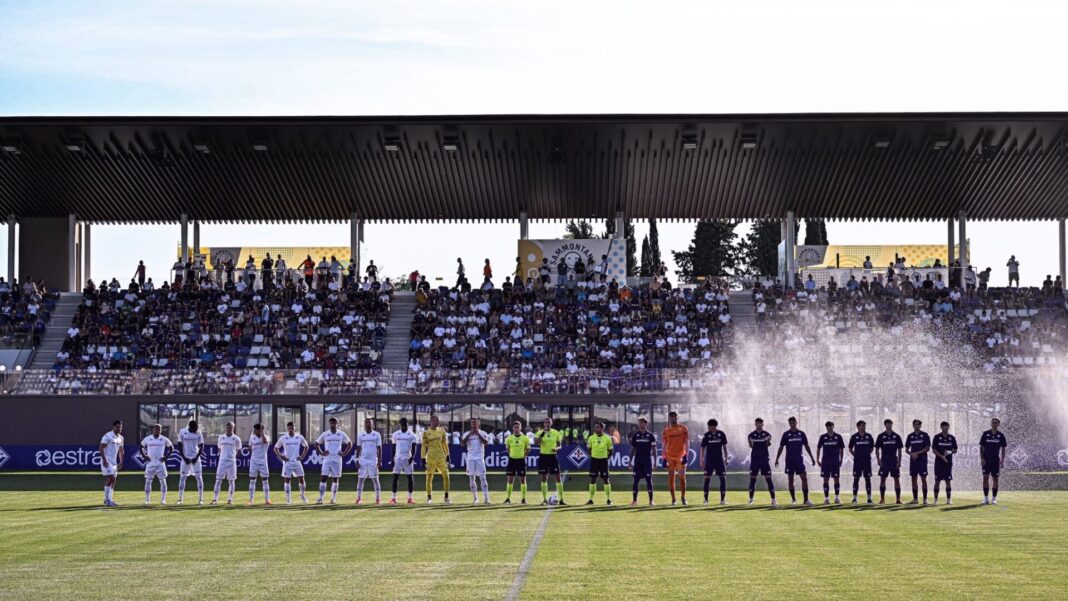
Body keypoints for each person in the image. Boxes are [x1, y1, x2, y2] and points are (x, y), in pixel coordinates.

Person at [775, 416, 816, 506]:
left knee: (804, 478)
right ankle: (793, 499)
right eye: (790, 423)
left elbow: (806, 446)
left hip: (799, 460)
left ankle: (806, 500)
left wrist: (812, 458)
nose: (792, 425)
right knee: (790, 480)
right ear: (789, 424)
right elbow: (781, 447)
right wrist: (777, 459)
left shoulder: (801, 434)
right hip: (789, 460)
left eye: (794, 423)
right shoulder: (786, 434)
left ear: (797, 423)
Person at [314, 417, 352, 505]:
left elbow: (349, 443)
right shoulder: (325, 434)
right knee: (323, 478)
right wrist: (321, 453)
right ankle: (320, 498)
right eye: (331, 423)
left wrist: (344, 453)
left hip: (337, 460)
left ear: (337, 424)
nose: (333, 424)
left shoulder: (341, 434)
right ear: (329, 423)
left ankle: (333, 499)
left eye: (334, 423)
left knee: (335, 479)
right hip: (327, 460)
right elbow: (316, 443)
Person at [274, 422, 309, 504]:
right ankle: (288, 499)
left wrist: (302, 456)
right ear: (287, 428)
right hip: (287, 462)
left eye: (292, 428)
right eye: (289, 428)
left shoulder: (299, 437)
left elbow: (306, 446)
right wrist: (281, 456)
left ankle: (302, 495)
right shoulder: (283, 438)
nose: (291, 429)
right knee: (287, 480)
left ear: (294, 428)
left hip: (297, 461)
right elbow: (275, 448)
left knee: (302, 478)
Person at [534, 417, 566, 506]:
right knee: (544, 478)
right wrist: (543, 432)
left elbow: (560, 446)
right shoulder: (539, 432)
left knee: (558, 478)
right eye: (546, 422)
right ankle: (544, 499)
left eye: (549, 422)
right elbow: (536, 442)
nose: (547, 424)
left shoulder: (556, 433)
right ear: (544, 424)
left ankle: (562, 499)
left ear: (551, 423)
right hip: (543, 456)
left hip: (553, 457)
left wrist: (556, 449)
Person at [139, 423, 173, 505]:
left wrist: (166, 457)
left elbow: (171, 447)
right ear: (153, 430)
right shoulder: (148, 439)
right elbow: (141, 447)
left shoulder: (164, 439)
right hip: (150, 464)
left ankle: (163, 500)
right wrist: (145, 456)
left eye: (159, 429)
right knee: (148, 481)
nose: (158, 430)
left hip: (160, 464)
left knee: (163, 481)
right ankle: (147, 500)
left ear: (161, 430)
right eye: (156, 429)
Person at [661, 411, 689, 506]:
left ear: (677, 417)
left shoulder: (683, 428)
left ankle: (683, 497)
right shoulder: (666, 430)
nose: (673, 418)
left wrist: (686, 455)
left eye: (675, 416)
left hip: (681, 456)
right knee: (671, 478)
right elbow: (664, 444)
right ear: (669, 418)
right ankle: (673, 499)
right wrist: (664, 457)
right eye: (671, 416)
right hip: (670, 457)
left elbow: (687, 442)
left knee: (682, 477)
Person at [422, 415, 451, 504]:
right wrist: (423, 457)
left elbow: (444, 444)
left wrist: (448, 454)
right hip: (430, 457)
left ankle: (446, 497)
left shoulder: (442, 431)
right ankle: (429, 498)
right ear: (431, 421)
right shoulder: (426, 432)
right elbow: (424, 446)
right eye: (436, 421)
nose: (437, 422)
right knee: (429, 478)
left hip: (441, 457)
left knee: (446, 476)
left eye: (438, 421)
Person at [747, 418, 776, 506]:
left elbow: (768, 444)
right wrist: (750, 442)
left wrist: (768, 441)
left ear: (763, 424)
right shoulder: (751, 435)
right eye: (757, 423)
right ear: (755, 424)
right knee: (752, 479)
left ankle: (773, 500)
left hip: (764, 459)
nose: (759, 425)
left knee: (768, 479)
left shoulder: (767, 434)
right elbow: (751, 446)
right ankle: (751, 499)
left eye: (760, 423)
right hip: (755, 459)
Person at [462, 417, 492, 504]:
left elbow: (486, 443)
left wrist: (478, 433)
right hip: (470, 458)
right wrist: (469, 435)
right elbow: (462, 443)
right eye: (472, 423)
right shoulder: (467, 434)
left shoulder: (483, 433)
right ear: (471, 424)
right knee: (471, 478)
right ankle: (475, 498)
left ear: (478, 424)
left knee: (483, 478)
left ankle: (486, 498)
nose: (474, 424)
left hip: (479, 458)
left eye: (475, 423)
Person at [699, 418, 729, 505]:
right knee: (707, 479)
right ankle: (706, 500)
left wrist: (726, 459)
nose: (709, 428)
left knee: (722, 478)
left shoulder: (721, 434)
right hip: (709, 461)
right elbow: (702, 448)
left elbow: (724, 447)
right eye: (708, 426)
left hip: (719, 460)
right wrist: (701, 460)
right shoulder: (706, 435)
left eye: (711, 426)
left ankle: (722, 500)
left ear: (715, 426)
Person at [211, 422, 241, 505]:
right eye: (227, 427)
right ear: (226, 428)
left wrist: (233, 457)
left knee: (231, 481)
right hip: (222, 461)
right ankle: (215, 499)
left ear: (233, 428)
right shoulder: (221, 437)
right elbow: (219, 448)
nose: (229, 429)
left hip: (231, 461)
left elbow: (238, 449)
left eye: (230, 427)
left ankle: (230, 499)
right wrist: (222, 456)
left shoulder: (236, 439)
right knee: (218, 480)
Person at [176, 419, 205, 505]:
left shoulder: (199, 433)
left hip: (196, 459)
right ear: (190, 427)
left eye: (197, 427)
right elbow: (179, 445)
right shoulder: (182, 431)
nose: (196, 429)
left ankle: (200, 499)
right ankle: (180, 499)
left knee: (199, 478)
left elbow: (202, 445)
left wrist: (197, 457)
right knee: (182, 477)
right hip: (185, 459)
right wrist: (184, 457)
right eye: (195, 428)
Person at [629, 417, 657, 506]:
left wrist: (655, 462)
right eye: (639, 423)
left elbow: (654, 449)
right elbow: (633, 449)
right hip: (637, 462)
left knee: (649, 480)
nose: (640, 424)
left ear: (646, 424)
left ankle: (651, 500)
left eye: (642, 422)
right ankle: (634, 500)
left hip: (647, 462)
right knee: (635, 480)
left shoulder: (650, 436)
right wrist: (630, 462)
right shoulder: (635, 436)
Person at [980, 418, 1008, 505]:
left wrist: (1002, 461)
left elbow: (1003, 449)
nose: (994, 424)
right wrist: (981, 458)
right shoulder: (985, 434)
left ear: (998, 424)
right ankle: (985, 498)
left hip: (995, 461)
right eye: (993, 423)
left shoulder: (1001, 435)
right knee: (985, 478)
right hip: (986, 460)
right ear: (991, 423)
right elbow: (981, 447)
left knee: (995, 479)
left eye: (996, 423)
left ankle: (994, 499)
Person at [875, 419, 903, 504]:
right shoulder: (881, 436)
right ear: (885, 425)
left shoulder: (896, 436)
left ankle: (898, 499)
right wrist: (878, 460)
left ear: (892, 425)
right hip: (884, 461)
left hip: (894, 461)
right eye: (887, 424)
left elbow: (899, 450)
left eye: (890, 424)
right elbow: (877, 449)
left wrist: (899, 462)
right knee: (883, 479)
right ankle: (882, 498)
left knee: (897, 480)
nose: (889, 425)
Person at [390, 418, 418, 504]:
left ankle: (410, 498)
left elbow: (414, 447)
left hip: (407, 459)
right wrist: (393, 459)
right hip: (398, 459)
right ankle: (394, 498)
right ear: (400, 424)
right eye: (402, 423)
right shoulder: (395, 434)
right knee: (395, 477)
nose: (404, 425)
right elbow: (394, 447)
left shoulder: (412, 435)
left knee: (410, 477)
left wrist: (412, 457)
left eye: (405, 423)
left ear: (408, 424)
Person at [355, 418, 383, 505]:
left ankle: (378, 499)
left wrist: (379, 460)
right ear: (364, 424)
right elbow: (358, 448)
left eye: (369, 422)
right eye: (366, 422)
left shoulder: (377, 434)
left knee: (375, 479)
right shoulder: (361, 435)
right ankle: (359, 498)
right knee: (360, 479)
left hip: (373, 460)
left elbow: (379, 448)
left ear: (372, 424)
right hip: (363, 460)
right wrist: (356, 459)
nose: (368, 424)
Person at [816, 421, 845, 505]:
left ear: (833, 426)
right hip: (825, 462)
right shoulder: (823, 437)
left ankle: (836, 498)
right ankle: (826, 499)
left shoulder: (838, 437)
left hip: (835, 461)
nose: (829, 428)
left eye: (830, 426)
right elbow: (818, 448)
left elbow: (842, 449)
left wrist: (841, 459)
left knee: (836, 479)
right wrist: (817, 459)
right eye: (827, 427)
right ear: (826, 427)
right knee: (826, 480)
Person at [586, 422, 614, 505]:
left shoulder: (607, 438)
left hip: (603, 461)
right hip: (594, 460)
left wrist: (606, 458)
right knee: (593, 479)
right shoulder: (591, 438)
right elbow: (588, 448)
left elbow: (611, 451)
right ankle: (591, 499)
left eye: (597, 427)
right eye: (595, 427)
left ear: (602, 429)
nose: (595, 429)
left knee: (606, 479)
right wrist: (592, 456)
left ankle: (609, 499)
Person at [848, 421, 875, 504]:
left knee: (868, 479)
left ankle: (869, 499)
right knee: (856, 479)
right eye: (862, 425)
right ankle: (855, 498)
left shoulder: (869, 436)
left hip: (866, 461)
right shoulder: (854, 437)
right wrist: (856, 455)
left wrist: (866, 454)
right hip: (857, 462)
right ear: (858, 427)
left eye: (865, 425)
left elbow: (871, 448)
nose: (864, 427)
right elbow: (850, 448)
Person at [99, 420, 125, 507]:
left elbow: (121, 451)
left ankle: (109, 500)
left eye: (120, 427)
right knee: (111, 478)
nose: (119, 428)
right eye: (117, 427)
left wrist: (121, 461)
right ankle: (107, 500)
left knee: (114, 480)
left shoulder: (121, 438)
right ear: (113, 427)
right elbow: (101, 448)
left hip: (114, 462)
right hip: (107, 460)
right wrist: (104, 459)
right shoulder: (108, 436)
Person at [932, 421, 958, 505]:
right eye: (943, 426)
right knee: (937, 481)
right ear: (941, 427)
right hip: (938, 462)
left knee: (948, 480)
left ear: (948, 427)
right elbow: (934, 450)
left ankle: (948, 500)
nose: (945, 428)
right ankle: (935, 500)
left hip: (948, 463)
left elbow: (955, 450)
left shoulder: (952, 438)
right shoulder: (937, 437)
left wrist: (949, 452)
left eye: (946, 426)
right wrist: (941, 456)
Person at [905, 419, 931, 504]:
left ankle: (925, 499)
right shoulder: (910, 436)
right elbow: (906, 449)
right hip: (913, 461)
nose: (916, 426)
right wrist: (911, 454)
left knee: (923, 479)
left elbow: (927, 448)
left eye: (918, 424)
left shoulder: (925, 435)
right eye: (915, 424)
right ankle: (915, 499)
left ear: (920, 425)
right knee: (913, 479)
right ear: (913, 425)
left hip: (922, 460)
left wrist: (916, 453)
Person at [504, 421, 529, 504]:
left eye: (518, 427)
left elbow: (528, 449)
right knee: (510, 480)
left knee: (522, 479)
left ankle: (523, 498)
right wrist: (512, 454)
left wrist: (524, 455)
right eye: (515, 427)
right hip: (512, 460)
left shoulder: (525, 438)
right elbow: (507, 449)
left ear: (520, 428)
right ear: (513, 428)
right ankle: (508, 498)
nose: (516, 429)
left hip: (521, 460)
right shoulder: (509, 439)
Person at [246, 423, 271, 505]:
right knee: (252, 480)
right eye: (255, 430)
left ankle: (267, 500)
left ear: (261, 430)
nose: (255, 431)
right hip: (254, 461)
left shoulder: (266, 437)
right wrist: (249, 448)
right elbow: (249, 447)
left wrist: (262, 432)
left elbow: (264, 441)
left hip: (263, 461)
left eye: (257, 430)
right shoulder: (252, 438)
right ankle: (251, 500)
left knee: (265, 480)